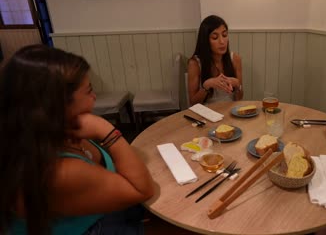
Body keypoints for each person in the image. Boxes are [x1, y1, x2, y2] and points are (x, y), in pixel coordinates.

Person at [0, 45, 155, 235]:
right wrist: (107, 131)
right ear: (57, 103)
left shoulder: (46, 134)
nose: (95, 96)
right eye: (89, 91)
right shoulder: (59, 171)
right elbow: (142, 190)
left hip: (103, 214)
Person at [187, 15, 243, 105]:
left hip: (230, 111)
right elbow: (193, 103)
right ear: (205, 40)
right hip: (207, 114)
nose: (222, 41)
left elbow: (239, 98)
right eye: (215, 37)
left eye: (224, 35)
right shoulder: (195, 63)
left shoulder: (235, 59)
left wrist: (237, 85)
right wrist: (206, 86)